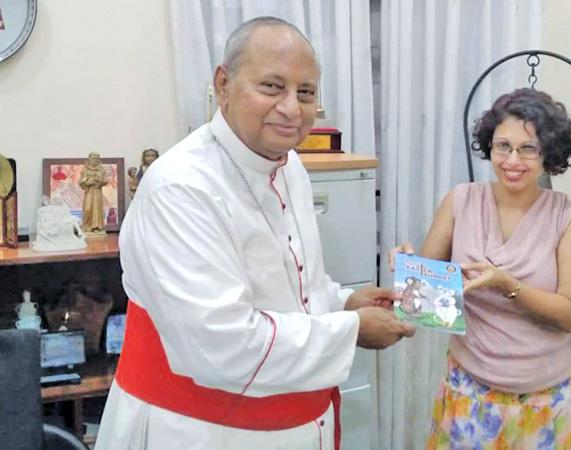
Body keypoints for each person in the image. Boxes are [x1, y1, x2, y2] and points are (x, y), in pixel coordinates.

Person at [95, 17, 415, 450]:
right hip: (201, 430)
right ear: (223, 84)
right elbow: (223, 344)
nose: (291, 107)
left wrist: (342, 300)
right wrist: (351, 328)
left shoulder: (290, 165)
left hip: (295, 422)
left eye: (305, 93)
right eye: (271, 86)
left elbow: (290, 284)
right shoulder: (181, 186)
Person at [392, 88, 571, 449]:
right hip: (468, 392)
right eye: (503, 146)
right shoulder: (461, 200)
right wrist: (408, 272)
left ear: (549, 152)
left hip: (548, 400)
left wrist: (507, 285)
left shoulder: (570, 216)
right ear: (489, 146)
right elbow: (420, 307)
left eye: (528, 148)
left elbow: (570, 315)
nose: (512, 160)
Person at [78, 152, 107, 233]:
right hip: (89, 191)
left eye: (96, 158)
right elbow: (80, 181)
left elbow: (105, 180)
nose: (95, 160)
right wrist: (87, 182)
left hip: (97, 191)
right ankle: (86, 226)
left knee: (96, 209)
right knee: (87, 208)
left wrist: (99, 180)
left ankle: (96, 227)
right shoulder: (85, 169)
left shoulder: (101, 169)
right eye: (93, 158)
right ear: (89, 159)